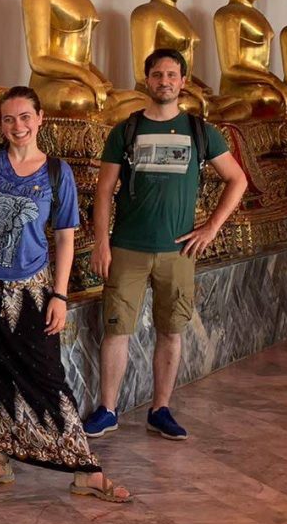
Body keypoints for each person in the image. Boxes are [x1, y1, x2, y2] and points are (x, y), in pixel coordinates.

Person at [0, 86, 131, 502]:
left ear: (40, 118)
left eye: (25, 117)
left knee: (47, 374)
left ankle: (86, 469)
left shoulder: (57, 173)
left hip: (28, 288)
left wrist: (59, 296)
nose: (17, 126)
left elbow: (64, 238)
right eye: (8, 119)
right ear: (0, 124)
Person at [82, 49, 248, 442]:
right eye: (157, 75)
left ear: (183, 82)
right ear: (147, 80)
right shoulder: (126, 131)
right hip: (127, 247)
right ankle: (108, 409)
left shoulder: (199, 131)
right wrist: (101, 243)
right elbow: (104, 191)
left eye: (172, 75)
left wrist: (211, 228)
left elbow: (237, 179)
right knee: (116, 329)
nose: (165, 81)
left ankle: (161, 409)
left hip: (178, 251)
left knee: (171, 329)